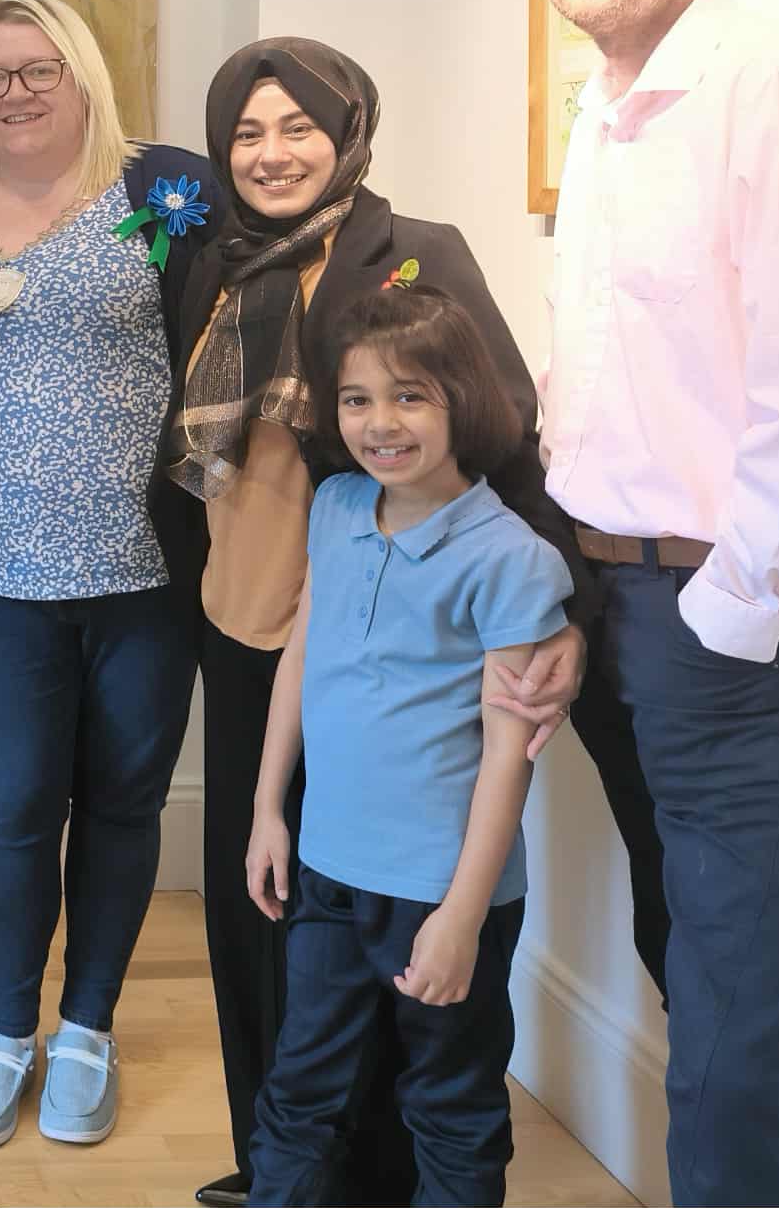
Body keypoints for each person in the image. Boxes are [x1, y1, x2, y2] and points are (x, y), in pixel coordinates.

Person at [169, 36, 602, 1208]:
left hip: (384, 634)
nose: (270, 153)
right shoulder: (209, 256)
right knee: (270, 912)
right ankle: (276, 1160)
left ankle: (376, 1177)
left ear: (346, 133)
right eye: (245, 132)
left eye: (296, 127)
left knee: (390, 926)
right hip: (250, 617)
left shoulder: (417, 251)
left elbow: (501, 426)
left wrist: (562, 610)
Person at [509, 0, 779, 1206]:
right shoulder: (606, 105)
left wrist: (735, 608)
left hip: (727, 617)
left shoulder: (772, 83)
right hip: (612, 594)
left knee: (736, 1028)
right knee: (686, 960)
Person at [0, 0, 213, 1149]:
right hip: (2, 570)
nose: (15, 92)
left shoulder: (163, 191)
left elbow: (219, 331)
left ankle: (85, 1028)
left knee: (123, 803)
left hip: (146, 571)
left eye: (38, 69)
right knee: (13, 807)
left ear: (82, 74)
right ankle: (2, 1029)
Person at [244, 287, 574, 1207]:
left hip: (439, 889)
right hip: (325, 873)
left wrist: (462, 916)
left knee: (452, 1107)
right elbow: (302, 656)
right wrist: (269, 810)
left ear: (461, 399)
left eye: (409, 396)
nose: (379, 423)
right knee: (299, 1092)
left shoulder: (511, 559)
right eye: (357, 399)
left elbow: (510, 756)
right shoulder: (336, 505)